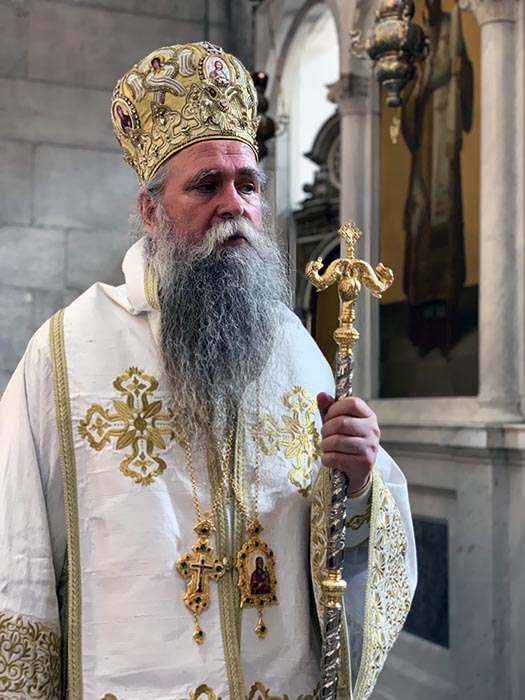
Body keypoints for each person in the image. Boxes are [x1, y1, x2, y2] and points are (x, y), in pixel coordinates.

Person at [0, 42, 416, 700]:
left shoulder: (293, 346)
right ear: (150, 210)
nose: (234, 205)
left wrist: (358, 480)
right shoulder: (64, 353)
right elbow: (16, 566)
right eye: (206, 185)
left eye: (247, 185)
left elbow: (341, 546)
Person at [401, 0, 473, 354]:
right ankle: (421, 315)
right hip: (424, 153)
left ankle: (446, 313)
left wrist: (461, 76)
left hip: (444, 147)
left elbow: (463, 74)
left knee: (444, 220)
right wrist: (419, 85)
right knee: (420, 219)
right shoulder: (417, 42)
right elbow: (408, 104)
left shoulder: (452, 31)